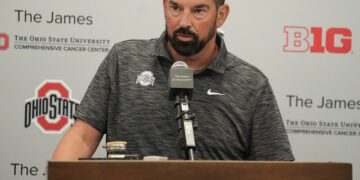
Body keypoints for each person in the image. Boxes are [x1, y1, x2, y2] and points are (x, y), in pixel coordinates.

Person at [52, 0, 294, 161]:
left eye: (198, 10)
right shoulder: (123, 60)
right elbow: (82, 137)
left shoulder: (251, 84)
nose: (183, 22)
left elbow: (276, 169)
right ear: (165, 6)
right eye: (175, 7)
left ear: (221, 15)